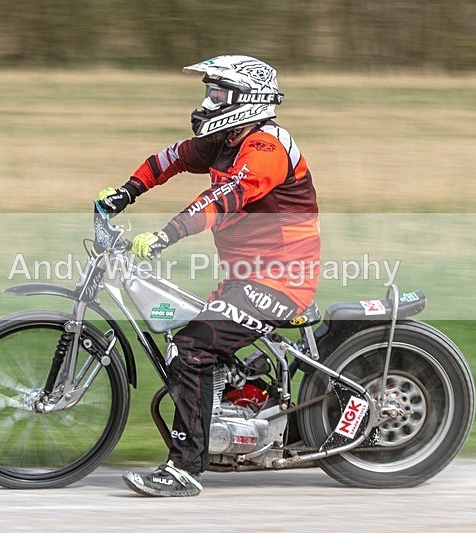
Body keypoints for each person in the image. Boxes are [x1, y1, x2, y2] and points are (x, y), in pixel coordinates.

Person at [96, 55, 320, 497]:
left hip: (280, 281)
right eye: (209, 91)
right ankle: (237, 414)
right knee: (189, 331)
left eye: (218, 93)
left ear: (246, 100)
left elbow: (224, 197)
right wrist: (127, 191)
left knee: (192, 346)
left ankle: (184, 469)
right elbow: (172, 158)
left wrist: (165, 235)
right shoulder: (224, 140)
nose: (208, 101)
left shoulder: (266, 148)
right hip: (245, 278)